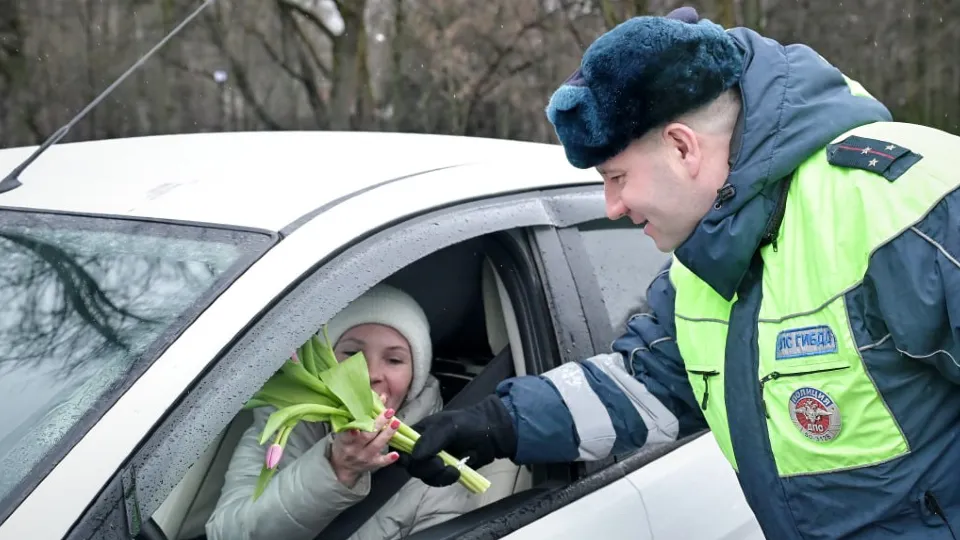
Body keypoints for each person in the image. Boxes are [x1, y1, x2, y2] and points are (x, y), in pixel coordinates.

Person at [398, 6, 960, 540]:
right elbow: (646, 385)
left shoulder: (908, 206)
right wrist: (498, 423)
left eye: (616, 177)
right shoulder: (706, 266)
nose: (612, 205)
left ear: (682, 147)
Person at [206, 284, 478, 540]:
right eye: (351, 354)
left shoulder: (441, 458)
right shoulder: (283, 427)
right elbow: (226, 532)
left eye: (394, 360)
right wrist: (335, 470)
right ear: (325, 362)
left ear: (414, 376)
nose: (370, 374)